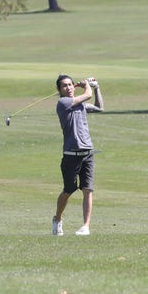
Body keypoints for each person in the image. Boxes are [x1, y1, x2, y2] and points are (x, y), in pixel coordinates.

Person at [52, 75, 104, 236]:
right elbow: (86, 95)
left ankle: (85, 226)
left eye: (70, 85)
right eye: (64, 86)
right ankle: (58, 219)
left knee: (88, 189)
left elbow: (99, 107)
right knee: (68, 190)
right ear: (59, 90)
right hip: (71, 154)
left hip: (87, 152)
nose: (68, 88)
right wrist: (87, 85)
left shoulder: (80, 105)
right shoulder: (63, 103)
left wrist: (97, 88)